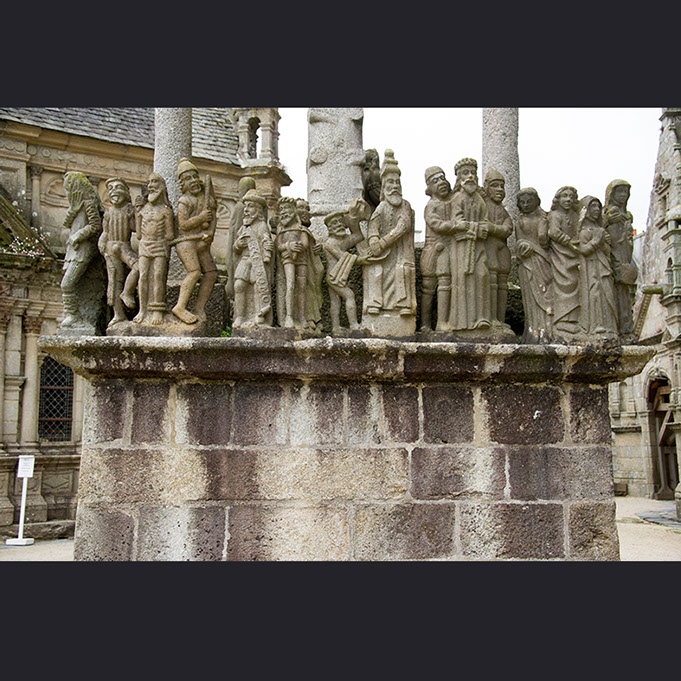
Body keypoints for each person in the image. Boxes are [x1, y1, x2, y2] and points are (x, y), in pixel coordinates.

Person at [362, 150, 416, 335]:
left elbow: (403, 227)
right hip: (383, 255)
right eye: (390, 183)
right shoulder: (382, 207)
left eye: (397, 183)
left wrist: (384, 242)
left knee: (402, 270)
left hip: (400, 252)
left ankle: (403, 306)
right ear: (384, 186)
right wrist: (374, 240)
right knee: (374, 269)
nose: (394, 187)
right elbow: (373, 227)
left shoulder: (405, 206)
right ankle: (375, 304)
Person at [447, 158, 492, 331]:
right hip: (462, 247)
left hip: (478, 245)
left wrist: (479, 229)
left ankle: (482, 317)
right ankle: (463, 322)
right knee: (463, 279)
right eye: (466, 173)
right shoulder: (457, 198)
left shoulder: (480, 200)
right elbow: (456, 221)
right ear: (459, 178)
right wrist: (470, 228)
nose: (470, 176)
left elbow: (485, 221)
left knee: (482, 275)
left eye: (473, 172)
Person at [172, 158, 218, 324]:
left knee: (211, 274)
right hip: (186, 242)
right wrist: (201, 218)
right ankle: (180, 307)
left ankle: (199, 307)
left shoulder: (206, 198)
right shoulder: (184, 201)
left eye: (194, 177)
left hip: (201, 241)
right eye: (188, 179)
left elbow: (213, 218)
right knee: (194, 272)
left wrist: (210, 233)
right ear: (183, 184)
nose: (193, 181)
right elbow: (183, 224)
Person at [60, 172, 104, 328]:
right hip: (73, 250)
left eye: (68, 189)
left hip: (82, 249)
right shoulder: (77, 204)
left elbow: (95, 225)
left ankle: (74, 316)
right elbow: (66, 224)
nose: (67, 192)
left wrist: (78, 236)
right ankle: (73, 315)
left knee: (66, 284)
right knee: (70, 284)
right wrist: (73, 209)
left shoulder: (89, 202)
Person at [323, 199, 370, 333]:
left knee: (335, 301)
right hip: (333, 277)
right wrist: (360, 260)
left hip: (337, 276)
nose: (338, 225)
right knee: (349, 295)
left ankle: (336, 327)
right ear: (329, 229)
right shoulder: (329, 243)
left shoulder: (341, 241)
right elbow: (342, 256)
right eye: (334, 223)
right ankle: (353, 325)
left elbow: (358, 236)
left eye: (340, 222)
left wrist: (353, 220)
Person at [134, 173, 174, 325]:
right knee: (143, 276)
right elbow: (138, 234)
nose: (151, 185)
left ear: (162, 187)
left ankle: (157, 309)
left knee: (158, 276)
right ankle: (143, 310)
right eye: (149, 182)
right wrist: (137, 214)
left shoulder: (166, 210)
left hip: (160, 246)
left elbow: (170, 235)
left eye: (155, 182)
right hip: (145, 245)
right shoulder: (143, 210)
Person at [576, 196, 618, 337]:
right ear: (585, 209)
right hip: (590, 267)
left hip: (603, 266)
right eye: (593, 206)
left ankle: (609, 326)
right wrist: (597, 240)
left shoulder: (601, 229)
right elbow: (584, 249)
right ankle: (595, 325)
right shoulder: (583, 230)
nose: (597, 209)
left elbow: (607, 251)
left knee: (607, 294)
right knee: (594, 293)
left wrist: (604, 243)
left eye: (598, 206)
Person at [99, 178, 139, 326]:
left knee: (139, 267)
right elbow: (105, 231)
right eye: (111, 189)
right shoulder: (108, 212)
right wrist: (102, 243)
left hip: (124, 246)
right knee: (114, 281)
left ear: (126, 193)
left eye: (118, 187)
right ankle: (118, 314)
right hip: (111, 247)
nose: (114, 191)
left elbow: (135, 228)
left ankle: (127, 292)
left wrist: (137, 212)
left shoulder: (129, 209)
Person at [514, 188, 553, 343]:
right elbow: (519, 241)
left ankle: (547, 329)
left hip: (542, 260)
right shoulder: (520, 222)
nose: (526, 205)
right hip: (527, 263)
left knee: (546, 292)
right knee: (531, 297)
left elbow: (546, 242)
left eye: (529, 201)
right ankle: (533, 329)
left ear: (536, 201)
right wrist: (523, 246)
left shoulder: (544, 218)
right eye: (522, 202)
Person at [421, 166, 456, 332]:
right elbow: (435, 223)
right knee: (428, 288)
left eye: (443, 178)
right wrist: (454, 225)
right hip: (433, 249)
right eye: (435, 181)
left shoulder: (452, 202)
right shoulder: (431, 205)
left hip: (447, 250)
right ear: (429, 187)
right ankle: (425, 324)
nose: (441, 182)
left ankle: (442, 322)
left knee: (445, 283)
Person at [232, 189, 274, 328]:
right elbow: (235, 248)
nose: (246, 210)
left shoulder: (262, 226)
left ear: (258, 210)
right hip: (245, 260)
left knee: (258, 288)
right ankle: (240, 316)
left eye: (250, 206)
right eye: (246, 206)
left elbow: (266, 242)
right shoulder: (243, 228)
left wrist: (268, 247)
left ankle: (258, 314)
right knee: (239, 286)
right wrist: (239, 244)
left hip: (258, 263)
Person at [604, 179, 638, 341]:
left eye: (625, 192)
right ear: (612, 194)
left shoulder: (628, 216)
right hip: (612, 259)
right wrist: (607, 221)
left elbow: (628, 239)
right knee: (614, 293)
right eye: (619, 191)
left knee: (625, 295)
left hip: (625, 257)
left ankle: (627, 329)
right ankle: (617, 329)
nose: (623, 195)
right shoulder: (608, 214)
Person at [548, 186, 581, 340]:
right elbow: (553, 232)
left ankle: (573, 319)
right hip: (560, 255)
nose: (568, 199)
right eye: (565, 196)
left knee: (576, 284)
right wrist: (569, 242)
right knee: (565, 284)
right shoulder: (555, 215)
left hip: (574, 253)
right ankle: (562, 320)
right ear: (558, 199)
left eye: (571, 197)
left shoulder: (575, 215)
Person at [482, 169, 513, 326]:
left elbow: (508, 228)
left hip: (502, 251)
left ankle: (500, 319)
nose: (500, 189)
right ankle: (492, 318)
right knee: (491, 283)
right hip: (489, 250)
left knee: (502, 285)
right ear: (487, 187)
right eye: (495, 185)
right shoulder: (483, 207)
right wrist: (498, 230)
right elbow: (484, 226)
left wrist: (493, 228)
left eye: (502, 186)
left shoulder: (502, 210)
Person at [276, 197, 311, 329]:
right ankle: (289, 316)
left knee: (302, 287)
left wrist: (299, 247)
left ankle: (301, 316)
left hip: (302, 260)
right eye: (281, 209)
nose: (284, 212)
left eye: (287, 208)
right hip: (288, 259)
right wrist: (289, 246)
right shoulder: (282, 230)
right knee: (290, 284)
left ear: (294, 211)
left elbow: (305, 243)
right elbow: (278, 246)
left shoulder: (301, 229)